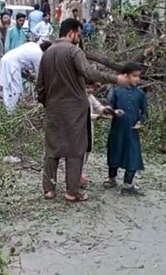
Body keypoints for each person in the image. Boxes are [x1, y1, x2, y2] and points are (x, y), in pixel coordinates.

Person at [36, 18, 129, 202]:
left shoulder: (47, 53)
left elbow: (40, 85)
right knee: (75, 150)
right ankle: (72, 191)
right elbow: (89, 73)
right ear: (71, 33)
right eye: (78, 34)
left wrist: (47, 102)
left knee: (52, 149)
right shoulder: (74, 51)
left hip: (54, 108)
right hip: (75, 110)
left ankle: (49, 190)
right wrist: (115, 79)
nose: (79, 38)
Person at [105, 62, 147, 196]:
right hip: (117, 129)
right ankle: (111, 178)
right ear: (126, 75)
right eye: (134, 76)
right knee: (115, 151)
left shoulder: (140, 93)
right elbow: (107, 107)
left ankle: (128, 184)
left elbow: (144, 112)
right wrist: (113, 111)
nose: (137, 79)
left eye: (138, 76)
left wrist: (140, 121)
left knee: (133, 155)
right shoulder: (116, 91)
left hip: (132, 130)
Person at [0, 41, 51, 112]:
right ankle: (10, 111)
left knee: (9, 88)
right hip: (11, 64)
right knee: (15, 89)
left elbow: (25, 60)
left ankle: (9, 109)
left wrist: (29, 75)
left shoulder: (33, 45)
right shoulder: (39, 54)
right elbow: (39, 75)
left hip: (8, 60)